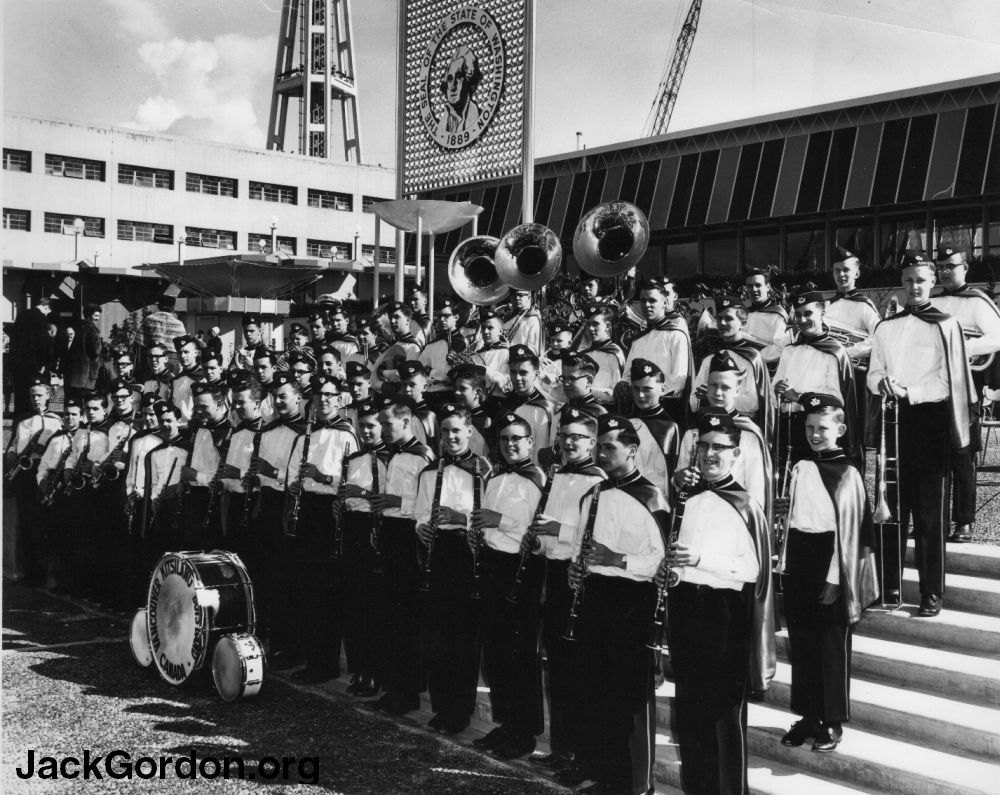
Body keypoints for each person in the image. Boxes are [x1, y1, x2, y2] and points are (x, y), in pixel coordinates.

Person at [667, 410, 776, 795]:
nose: (710, 454)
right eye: (704, 447)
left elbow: (751, 569)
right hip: (687, 612)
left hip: (724, 619)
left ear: (736, 454)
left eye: (720, 448)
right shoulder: (688, 499)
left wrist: (699, 560)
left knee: (722, 718)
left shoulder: (745, 505)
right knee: (690, 714)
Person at [867, 254, 976, 617]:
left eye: (921, 280)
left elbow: (950, 380)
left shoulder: (946, 324)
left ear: (932, 282)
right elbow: (873, 371)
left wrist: (909, 391)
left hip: (929, 421)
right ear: (902, 282)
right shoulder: (886, 327)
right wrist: (881, 382)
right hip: (893, 418)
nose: (914, 286)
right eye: (908, 280)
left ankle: (931, 592)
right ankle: (890, 587)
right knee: (893, 508)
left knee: (930, 515)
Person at [569, 414, 667, 795]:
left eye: (609, 446)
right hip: (595, 597)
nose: (601, 453)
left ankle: (638, 785)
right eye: (598, 446)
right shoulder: (592, 494)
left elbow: (662, 565)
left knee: (630, 698)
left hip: (632, 601)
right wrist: (574, 573)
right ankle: (609, 777)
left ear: (632, 449)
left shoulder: (651, 497)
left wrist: (618, 560)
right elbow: (580, 545)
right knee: (599, 692)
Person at [776, 392, 879, 754]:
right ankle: (808, 715)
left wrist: (835, 578)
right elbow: (792, 520)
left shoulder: (848, 473)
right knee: (802, 641)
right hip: (800, 558)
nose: (815, 434)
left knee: (830, 644)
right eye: (809, 427)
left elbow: (848, 532)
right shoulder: (801, 467)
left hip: (831, 561)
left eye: (822, 427)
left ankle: (832, 720)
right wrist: (784, 560)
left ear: (840, 428)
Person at [524, 409, 606, 782]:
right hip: (554, 575)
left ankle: (579, 753)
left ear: (592, 442)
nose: (569, 442)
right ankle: (561, 748)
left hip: (580, 578)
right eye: (564, 436)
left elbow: (595, 534)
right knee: (556, 665)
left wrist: (558, 528)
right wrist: (538, 538)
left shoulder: (598, 480)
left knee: (577, 670)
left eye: (577, 437)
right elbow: (548, 535)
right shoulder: (557, 475)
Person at [471, 413, 545, 760]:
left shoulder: (537, 479)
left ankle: (524, 732)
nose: (510, 445)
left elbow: (535, 533)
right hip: (493, 565)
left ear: (531, 442)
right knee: (497, 651)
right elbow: (486, 519)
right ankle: (505, 723)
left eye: (517, 438)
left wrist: (500, 521)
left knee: (519, 655)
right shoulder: (496, 477)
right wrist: (480, 534)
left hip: (521, 570)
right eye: (504, 439)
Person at [415, 404, 492, 732]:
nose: (450, 437)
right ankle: (442, 705)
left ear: (470, 432)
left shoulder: (484, 469)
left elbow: (490, 516)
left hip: (468, 552)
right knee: (437, 633)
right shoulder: (431, 470)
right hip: (438, 552)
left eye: (456, 431)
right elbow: (419, 513)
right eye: (445, 431)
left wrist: (461, 519)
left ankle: (460, 712)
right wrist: (421, 527)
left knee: (462, 636)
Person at [284, 373, 358, 683]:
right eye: (319, 396)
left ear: (340, 399)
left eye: (330, 395)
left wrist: (322, 477)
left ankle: (326, 665)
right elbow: (290, 479)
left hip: (330, 516)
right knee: (306, 590)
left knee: (326, 594)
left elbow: (352, 483)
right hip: (307, 514)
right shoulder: (305, 437)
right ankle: (312, 660)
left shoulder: (347, 436)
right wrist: (294, 487)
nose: (324, 400)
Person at [365, 393, 434, 713]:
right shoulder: (392, 454)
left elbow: (426, 504)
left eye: (387, 423)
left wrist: (394, 503)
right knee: (389, 615)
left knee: (406, 617)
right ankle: (395, 687)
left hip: (410, 538)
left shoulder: (421, 457)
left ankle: (408, 692)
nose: (382, 428)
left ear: (406, 422)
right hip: (390, 535)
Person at [931, 246, 1000, 543]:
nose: (946, 271)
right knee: (931, 457)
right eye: (941, 267)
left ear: (965, 268)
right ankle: (933, 519)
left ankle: (964, 522)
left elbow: (997, 337)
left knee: (962, 457)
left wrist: (959, 348)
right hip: (932, 387)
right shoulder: (930, 299)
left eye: (951, 266)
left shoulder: (977, 302)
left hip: (965, 389)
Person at [252, 372, 308, 665]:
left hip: (291, 506)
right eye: (275, 396)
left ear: (298, 397)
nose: (279, 401)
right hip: (269, 506)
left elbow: (299, 476)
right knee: (267, 577)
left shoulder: (305, 432)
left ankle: (291, 647)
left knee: (289, 581)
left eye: (284, 395)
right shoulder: (268, 430)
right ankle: (268, 641)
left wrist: (272, 472)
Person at [773, 290, 861, 468]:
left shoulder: (834, 352)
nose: (802, 320)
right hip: (789, 426)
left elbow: (837, 398)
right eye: (798, 315)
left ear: (822, 313)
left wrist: (798, 397)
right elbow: (773, 388)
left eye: (808, 313)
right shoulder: (789, 351)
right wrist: (777, 390)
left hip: (819, 428)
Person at [337, 397, 389, 697]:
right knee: (354, 604)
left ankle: (375, 672)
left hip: (375, 531)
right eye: (363, 426)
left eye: (373, 426)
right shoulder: (354, 458)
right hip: (353, 530)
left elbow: (389, 497)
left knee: (374, 608)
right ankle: (359, 668)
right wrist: (340, 503)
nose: (367, 432)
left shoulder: (388, 458)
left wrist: (363, 493)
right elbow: (346, 494)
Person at [692, 295, 775, 439]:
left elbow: (752, 404)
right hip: (711, 427)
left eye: (729, 318)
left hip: (741, 428)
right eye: (719, 318)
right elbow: (693, 401)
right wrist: (699, 398)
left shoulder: (752, 357)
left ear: (742, 323)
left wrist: (712, 397)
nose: (722, 323)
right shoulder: (710, 359)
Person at [6, 378, 62, 586]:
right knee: (25, 525)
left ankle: (42, 574)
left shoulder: (57, 421)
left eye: (39, 395)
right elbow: (13, 445)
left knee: (42, 525)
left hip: (42, 475)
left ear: (48, 396)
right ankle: (27, 572)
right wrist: (11, 456)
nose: (35, 399)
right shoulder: (22, 420)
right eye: (32, 395)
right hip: (23, 474)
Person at [617, 278, 694, 423]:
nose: (647, 305)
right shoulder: (638, 339)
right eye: (643, 300)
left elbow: (679, 380)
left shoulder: (676, 335)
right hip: (638, 410)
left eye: (652, 300)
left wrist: (651, 398)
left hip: (666, 412)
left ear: (665, 303)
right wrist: (622, 384)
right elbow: (627, 375)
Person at [491, 344, 555, 465]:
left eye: (523, 373)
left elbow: (540, 450)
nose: (517, 378)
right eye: (513, 372)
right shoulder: (506, 401)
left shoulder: (543, 408)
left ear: (536, 374)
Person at [625, 358, 682, 495]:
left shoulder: (670, 427)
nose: (640, 395)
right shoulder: (626, 421)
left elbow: (673, 473)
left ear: (662, 389)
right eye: (636, 388)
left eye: (647, 389)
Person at [10, 296, 54, 415]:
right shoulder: (41, 319)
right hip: (36, 368)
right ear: (46, 307)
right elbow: (42, 344)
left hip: (19, 368)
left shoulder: (21, 315)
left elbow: (14, 342)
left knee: (21, 401)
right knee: (36, 400)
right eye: (48, 311)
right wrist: (44, 364)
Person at [579, 305, 626, 407]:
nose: (591, 328)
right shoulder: (584, 354)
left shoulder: (614, 354)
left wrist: (588, 390)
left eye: (595, 324)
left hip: (606, 410)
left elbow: (616, 394)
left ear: (608, 326)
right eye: (588, 324)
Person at [744, 268, 790, 369]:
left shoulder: (777, 314)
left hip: (764, 369)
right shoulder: (743, 311)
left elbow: (780, 347)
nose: (753, 289)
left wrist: (752, 358)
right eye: (749, 286)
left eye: (758, 285)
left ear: (768, 287)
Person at [436, 45, 482, 138]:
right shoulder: (442, 125)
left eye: (459, 77)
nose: (453, 86)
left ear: (468, 80)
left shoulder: (478, 118)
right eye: (449, 78)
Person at [65, 304, 103, 405]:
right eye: (95, 315)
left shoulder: (77, 328)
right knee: (85, 402)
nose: (97, 318)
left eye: (98, 316)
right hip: (87, 374)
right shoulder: (91, 329)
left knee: (74, 402)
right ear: (89, 315)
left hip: (75, 374)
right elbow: (95, 351)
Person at [139, 295, 187, 376]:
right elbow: (183, 346)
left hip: (153, 358)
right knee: (173, 386)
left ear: (158, 306)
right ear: (172, 307)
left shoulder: (149, 319)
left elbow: (140, 341)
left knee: (152, 386)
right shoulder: (179, 324)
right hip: (173, 360)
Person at [504, 290, 543, 354]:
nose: (517, 298)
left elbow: (533, 350)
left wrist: (510, 349)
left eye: (521, 295)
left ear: (528, 298)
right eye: (514, 295)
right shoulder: (507, 318)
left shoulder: (532, 319)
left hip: (521, 361)